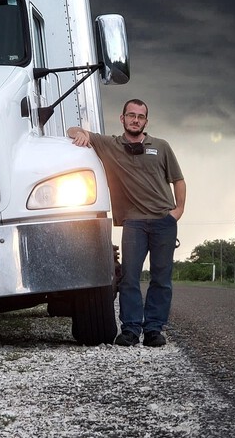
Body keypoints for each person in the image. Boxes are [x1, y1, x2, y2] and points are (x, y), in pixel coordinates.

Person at [67, 99, 186, 347]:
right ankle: (131, 329)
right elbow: (72, 130)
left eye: (140, 117)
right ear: (122, 119)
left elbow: (178, 180)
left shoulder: (161, 146)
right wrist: (79, 135)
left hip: (163, 221)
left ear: (146, 121)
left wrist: (177, 211)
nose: (135, 120)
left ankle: (153, 330)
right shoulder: (111, 145)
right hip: (134, 223)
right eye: (131, 115)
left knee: (161, 279)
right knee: (129, 277)